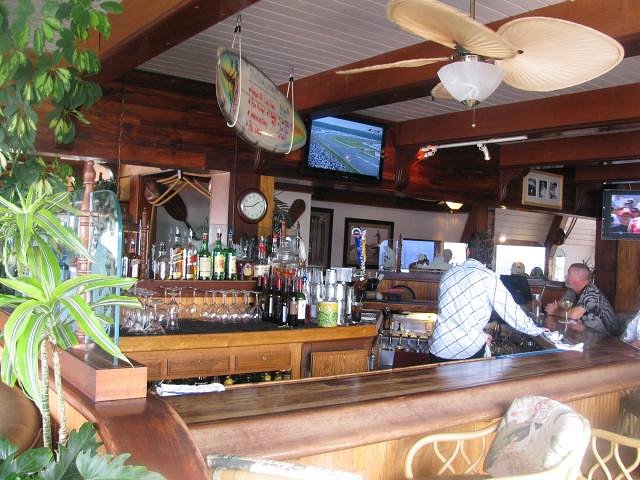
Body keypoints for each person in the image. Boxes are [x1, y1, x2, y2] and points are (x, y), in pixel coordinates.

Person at [429, 232, 546, 362]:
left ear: (468, 251)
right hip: (466, 352)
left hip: (438, 347)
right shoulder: (488, 277)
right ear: (489, 257)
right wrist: (537, 330)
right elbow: (510, 311)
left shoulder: (448, 274)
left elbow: (454, 314)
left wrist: (482, 337)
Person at [544, 263, 617, 335]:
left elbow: (574, 315)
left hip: (606, 338)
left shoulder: (592, 294)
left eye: (569, 274)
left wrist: (554, 311)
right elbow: (561, 305)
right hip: (585, 333)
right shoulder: (572, 291)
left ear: (578, 279)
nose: (565, 276)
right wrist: (558, 309)